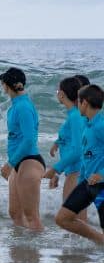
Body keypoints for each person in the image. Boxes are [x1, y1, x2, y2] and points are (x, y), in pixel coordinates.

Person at [55, 85, 104, 243]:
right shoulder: (87, 124)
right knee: (62, 218)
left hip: (101, 185)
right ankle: (100, 240)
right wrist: (81, 178)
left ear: (85, 103)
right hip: (86, 183)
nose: (77, 104)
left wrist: (101, 174)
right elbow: (85, 156)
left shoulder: (101, 126)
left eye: (79, 101)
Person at [0, 67, 45, 231]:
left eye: (3, 83)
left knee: (31, 216)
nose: (2, 87)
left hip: (29, 161)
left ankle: (35, 254)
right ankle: (21, 253)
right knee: (15, 213)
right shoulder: (16, 105)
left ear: (8, 85)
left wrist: (10, 163)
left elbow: (29, 140)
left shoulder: (24, 107)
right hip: (19, 162)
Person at [44, 77, 87, 220]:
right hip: (75, 171)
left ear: (62, 94)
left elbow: (77, 150)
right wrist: (58, 142)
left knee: (71, 219)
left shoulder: (75, 116)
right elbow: (71, 138)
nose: (57, 93)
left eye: (57, 91)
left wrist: (55, 169)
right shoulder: (74, 115)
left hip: (78, 171)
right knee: (75, 219)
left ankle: (96, 240)